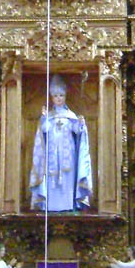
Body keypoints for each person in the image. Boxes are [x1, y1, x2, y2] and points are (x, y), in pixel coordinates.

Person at [30, 74, 92, 212]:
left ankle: (68, 205)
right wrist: (43, 119)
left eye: (61, 95)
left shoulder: (71, 116)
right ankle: (50, 206)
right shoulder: (49, 116)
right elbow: (44, 131)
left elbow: (77, 131)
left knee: (67, 178)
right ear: (52, 98)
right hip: (52, 153)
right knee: (51, 179)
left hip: (67, 154)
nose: (59, 98)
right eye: (56, 96)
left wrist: (81, 124)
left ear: (65, 96)